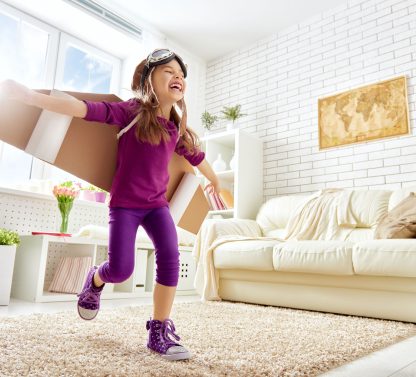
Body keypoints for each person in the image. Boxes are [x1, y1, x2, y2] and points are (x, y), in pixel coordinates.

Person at [0, 48, 220, 361]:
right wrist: (30, 97)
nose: (177, 78)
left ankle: (158, 330)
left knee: (170, 255)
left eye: (181, 75)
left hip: (157, 207)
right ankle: (95, 279)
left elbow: (198, 158)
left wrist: (215, 180)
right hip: (125, 205)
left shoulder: (177, 130)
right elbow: (81, 109)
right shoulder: (132, 112)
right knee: (121, 269)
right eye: (169, 72)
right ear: (149, 81)